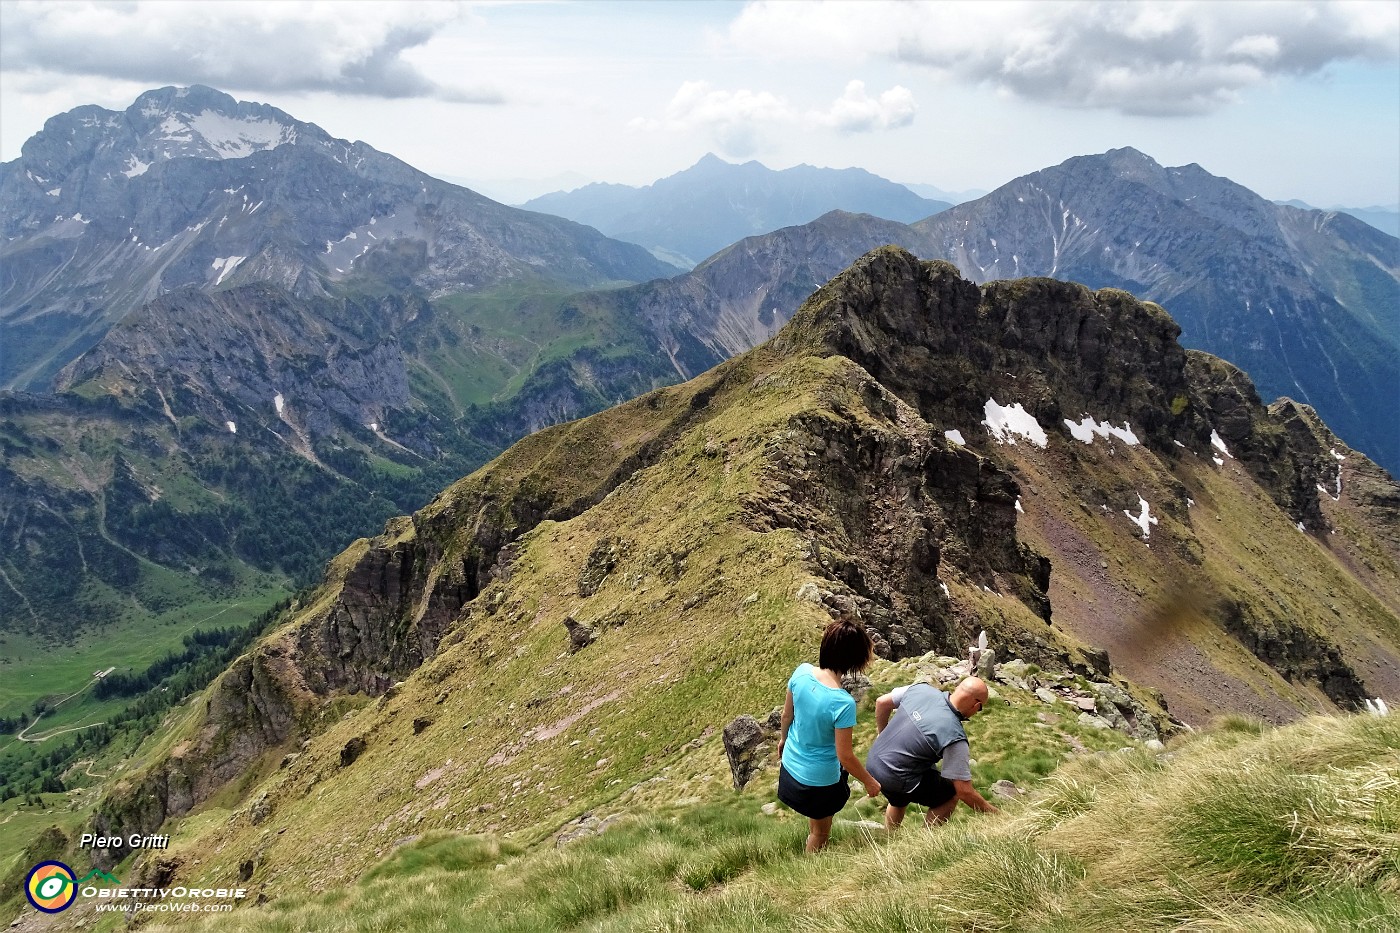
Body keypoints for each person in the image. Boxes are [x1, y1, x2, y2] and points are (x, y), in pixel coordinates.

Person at [776, 618, 882, 853]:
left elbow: (786, 716)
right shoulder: (842, 703)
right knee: (820, 832)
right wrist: (869, 782)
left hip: (790, 771)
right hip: (817, 785)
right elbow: (845, 756)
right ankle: (808, 878)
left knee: (815, 823)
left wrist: (783, 741)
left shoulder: (801, 672)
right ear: (854, 659)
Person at [865, 675, 1000, 831]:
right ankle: (924, 842)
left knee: (903, 793)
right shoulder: (955, 736)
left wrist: (882, 735)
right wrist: (995, 813)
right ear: (976, 706)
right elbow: (964, 792)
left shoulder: (920, 689)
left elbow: (881, 702)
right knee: (950, 793)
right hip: (896, 776)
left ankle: (889, 838)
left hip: (872, 763)